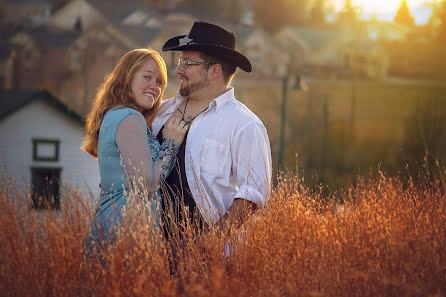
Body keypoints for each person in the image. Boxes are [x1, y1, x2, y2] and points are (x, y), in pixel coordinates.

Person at [152, 21, 272, 239]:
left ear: (214, 71)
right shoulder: (161, 111)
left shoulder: (244, 124)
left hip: (204, 255)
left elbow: (253, 194)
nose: (179, 69)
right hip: (150, 247)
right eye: (180, 61)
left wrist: (213, 240)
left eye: (187, 63)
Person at [81, 48, 189, 254]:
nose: (154, 87)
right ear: (126, 78)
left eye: (159, 82)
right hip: (124, 230)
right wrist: (171, 144)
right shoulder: (130, 118)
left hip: (115, 223)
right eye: (147, 77)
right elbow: (146, 185)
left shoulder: (115, 115)